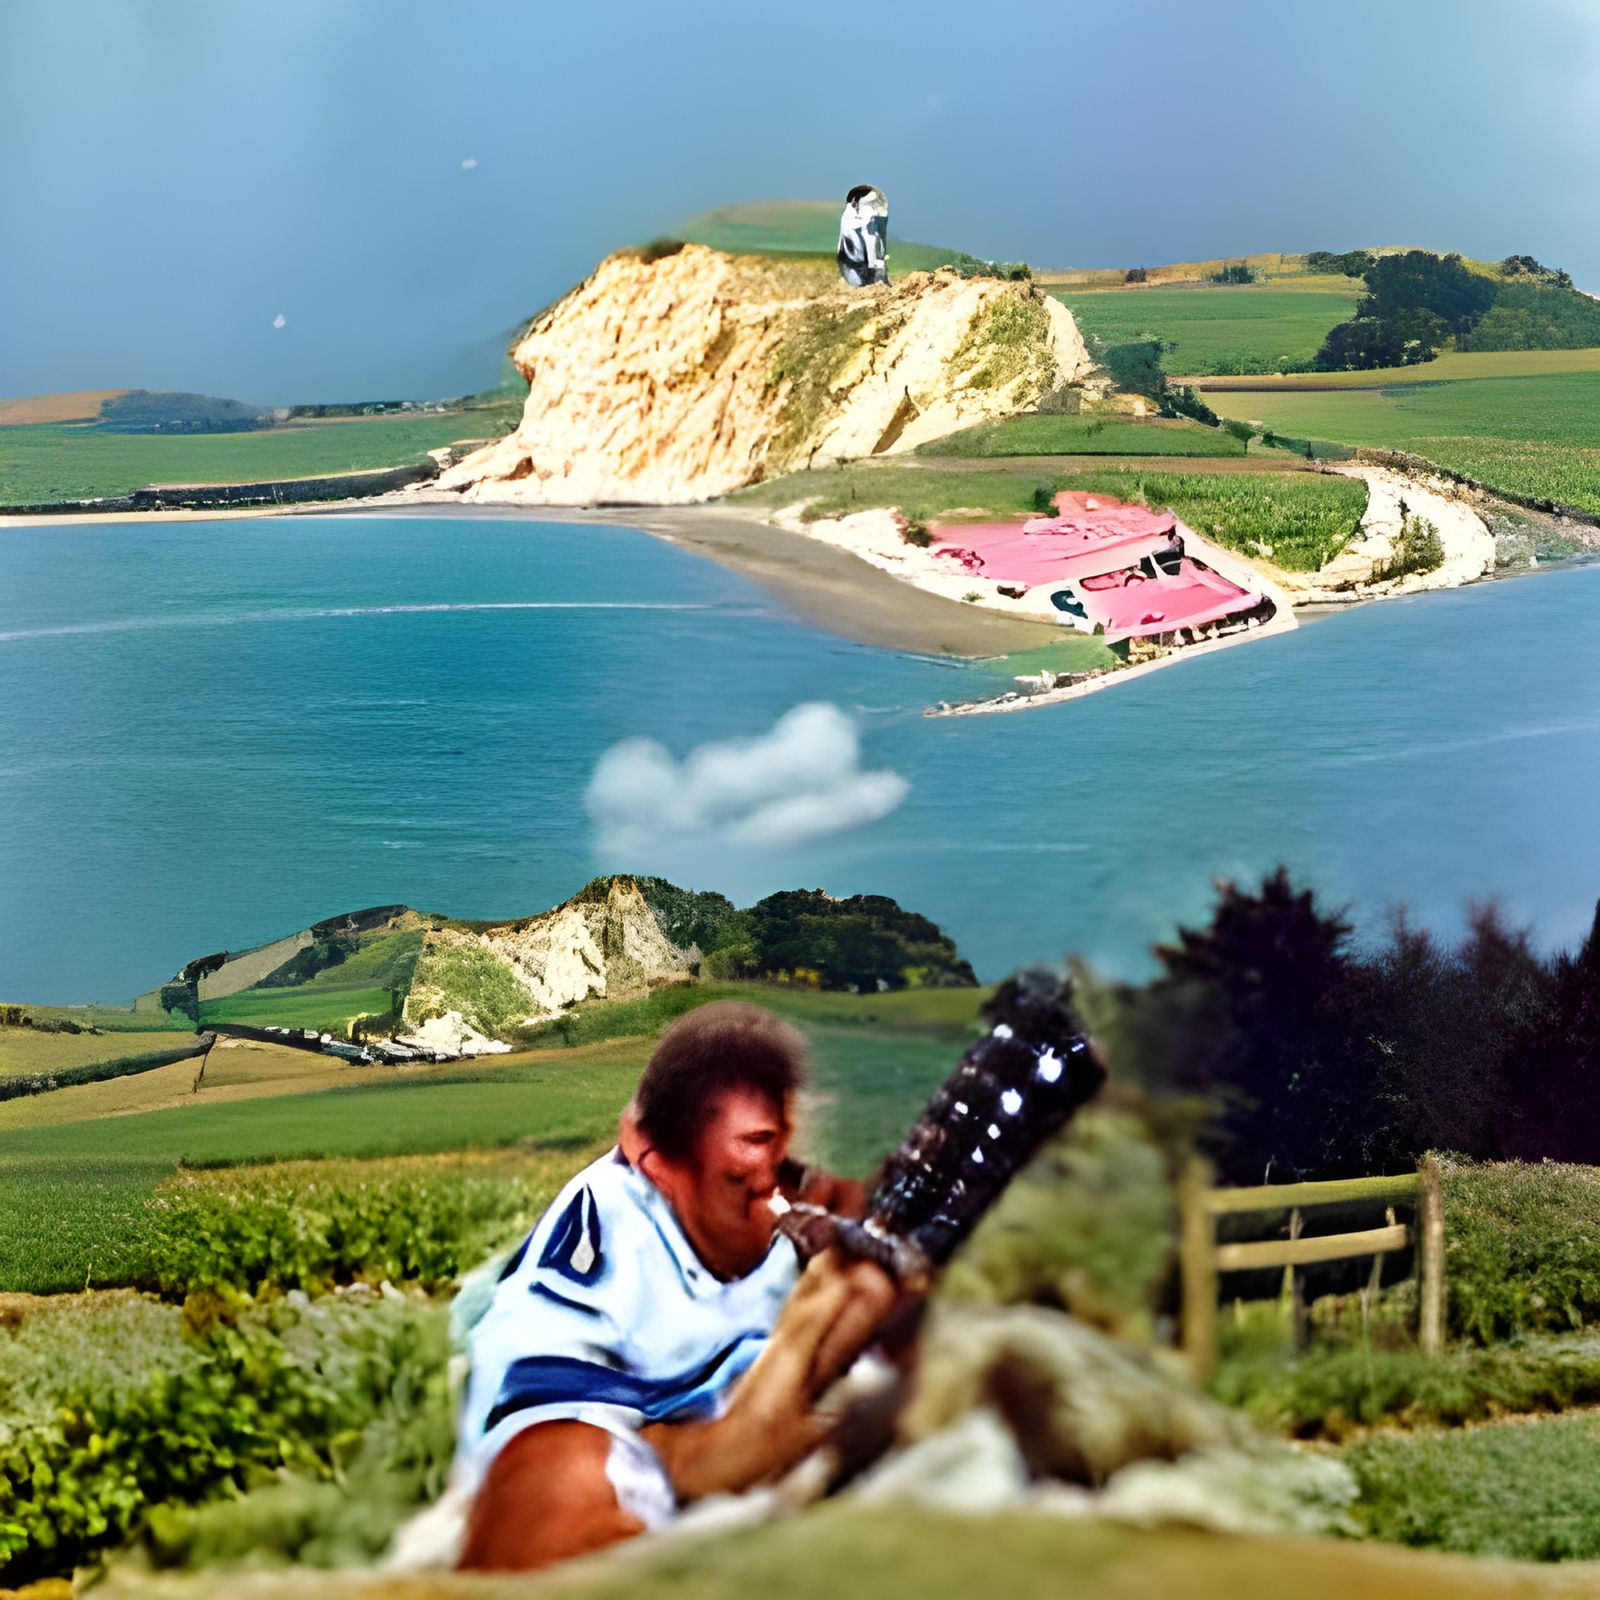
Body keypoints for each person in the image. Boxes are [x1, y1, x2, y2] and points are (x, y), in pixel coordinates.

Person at [453, 1001, 899, 1571]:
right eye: (745, 1173)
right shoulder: (599, 1260)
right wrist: (696, 1453)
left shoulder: (787, 1220)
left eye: (788, 1163)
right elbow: (551, 1455)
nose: (778, 1193)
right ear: (654, 1160)